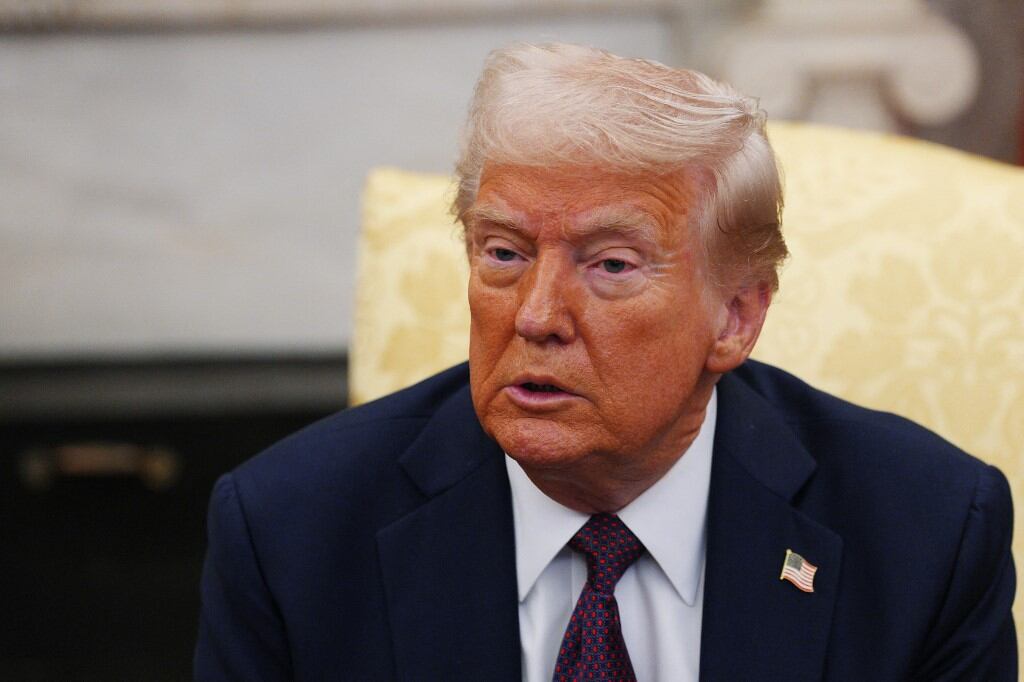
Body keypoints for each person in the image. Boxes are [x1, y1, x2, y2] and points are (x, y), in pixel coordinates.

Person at [194, 43, 1016, 681]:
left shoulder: (926, 534)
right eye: (505, 253)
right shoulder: (289, 534)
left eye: (611, 265)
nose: (538, 315)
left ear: (736, 316)